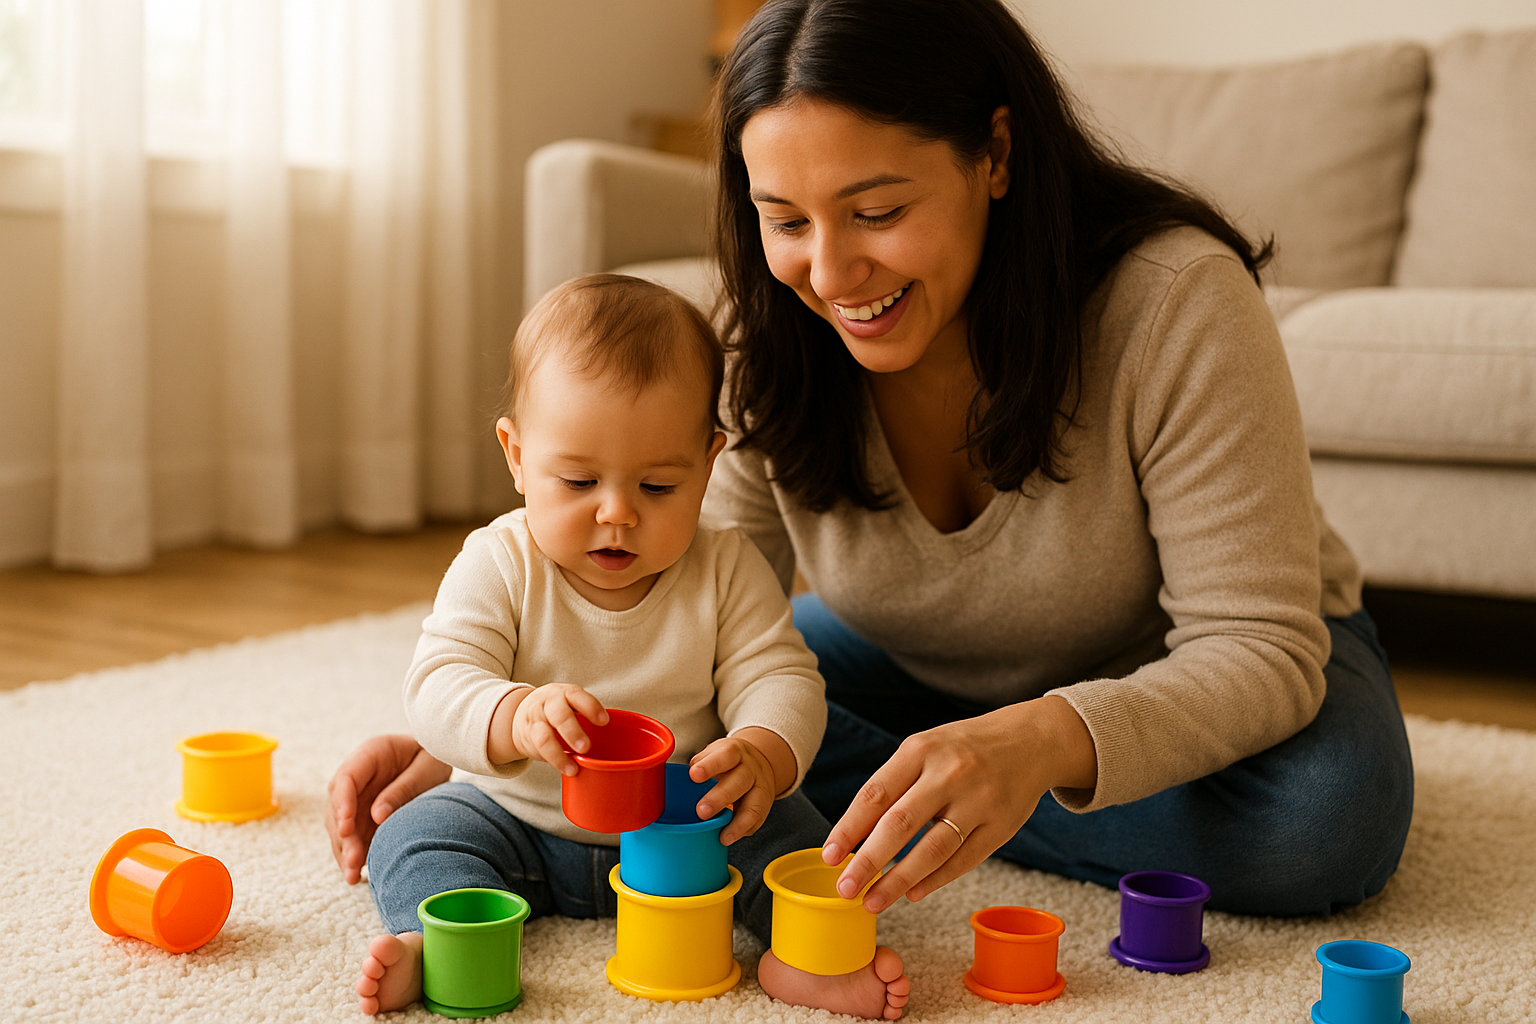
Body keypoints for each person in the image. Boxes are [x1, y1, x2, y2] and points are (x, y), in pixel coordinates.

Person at [332, 0, 1413, 950]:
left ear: (994, 153)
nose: (832, 272)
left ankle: (929, 783)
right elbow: (685, 605)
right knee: (756, 718)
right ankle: (927, 780)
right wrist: (497, 750)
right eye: (786, 220)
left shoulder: (1175, 302)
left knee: (1322, 817)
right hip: (916, 667)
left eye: (878, 212)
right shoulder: (768, 346)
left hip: (1188, 663)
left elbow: (1261, 647)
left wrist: (1037, 742)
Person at [352, 274, 910, 1020]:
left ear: (708, 463)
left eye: (656, 487)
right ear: (516, 456)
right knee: (419, 833)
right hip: (521, 823)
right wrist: (513, 715)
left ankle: (807, 960)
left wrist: (761, 750)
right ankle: (439, 943)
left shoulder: (725, 566)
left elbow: (781, 675)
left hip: (692, 829)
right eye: (578, 480)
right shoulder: (499, 563)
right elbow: (438, 683)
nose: (616, 513)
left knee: (798, 836)